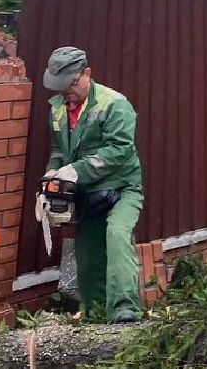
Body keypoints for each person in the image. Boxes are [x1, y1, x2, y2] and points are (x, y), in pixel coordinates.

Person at [40, 47, 145, 324]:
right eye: (62, 86)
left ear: (87, 73)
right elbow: (58, 150)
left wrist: (75, 171)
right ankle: (95, 316)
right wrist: (53, 173)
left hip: (122, 187)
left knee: (117, 235)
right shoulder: (57, 109)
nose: (67, 92)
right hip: (87, 194)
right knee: (87, 258)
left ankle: (125, 311)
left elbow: (119, 150)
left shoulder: (114, 104)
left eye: (72, 84)